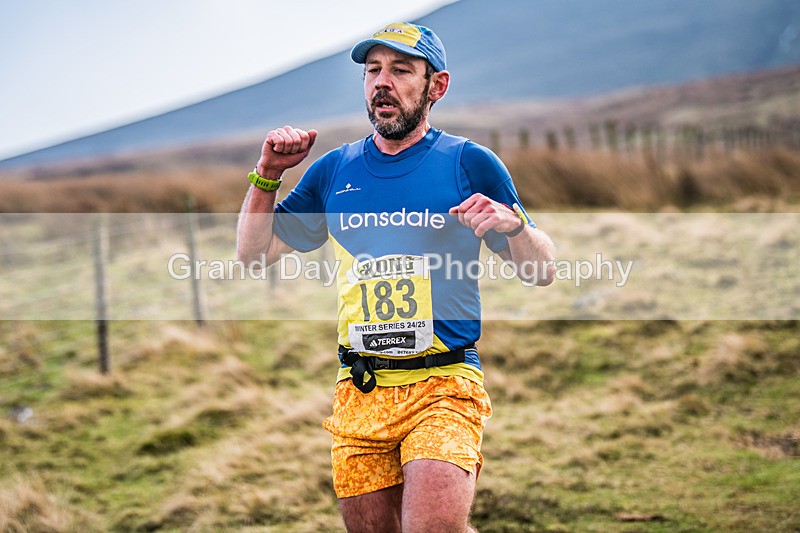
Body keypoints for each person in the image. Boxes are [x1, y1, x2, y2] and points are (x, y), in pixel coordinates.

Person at [236, 22, 556, 533]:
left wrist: (514, 225)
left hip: (443, 384)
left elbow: (542, 269)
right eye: (373, 71)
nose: (381, 82)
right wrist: (268, 174)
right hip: (359, 388)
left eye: (401, 70)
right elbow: (254, 254)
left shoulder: (469, 162)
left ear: (437, 86)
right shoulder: (334, 170)